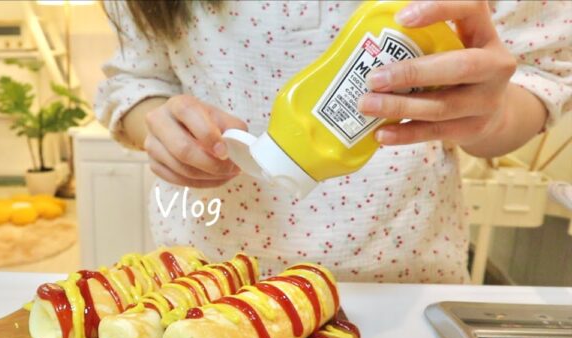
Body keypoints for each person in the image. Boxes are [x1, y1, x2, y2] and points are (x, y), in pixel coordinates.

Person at [96, 0, 571, 282]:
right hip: (208, 274)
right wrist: (160, 125)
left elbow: (539, 72)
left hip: (402, 277)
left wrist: (490, 115)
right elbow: (134, 81)